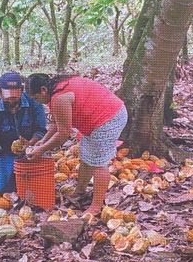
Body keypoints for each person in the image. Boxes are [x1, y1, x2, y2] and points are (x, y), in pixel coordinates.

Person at [25, 73, 127, 217]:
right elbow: (57, 122)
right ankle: (80, 190)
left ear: (43, 90)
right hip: (100, 116)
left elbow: (64, 133)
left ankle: (96, 206)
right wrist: (43, 140)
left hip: (109, 118)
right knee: (86, 155)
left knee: (98, 162)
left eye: (36, 98)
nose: (38, 102)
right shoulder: (57, 87)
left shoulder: (59, 98)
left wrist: (41, 149)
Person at [0, 72, 48, 193]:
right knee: (2, 190)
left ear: (22, 90)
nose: (11, 100)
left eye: (15, 96)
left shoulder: (34, 104)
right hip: (7, 153)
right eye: (8, 97)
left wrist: (31, 143)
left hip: (33, 150)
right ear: (0, 91)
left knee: (40, 187)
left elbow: (41, 131)